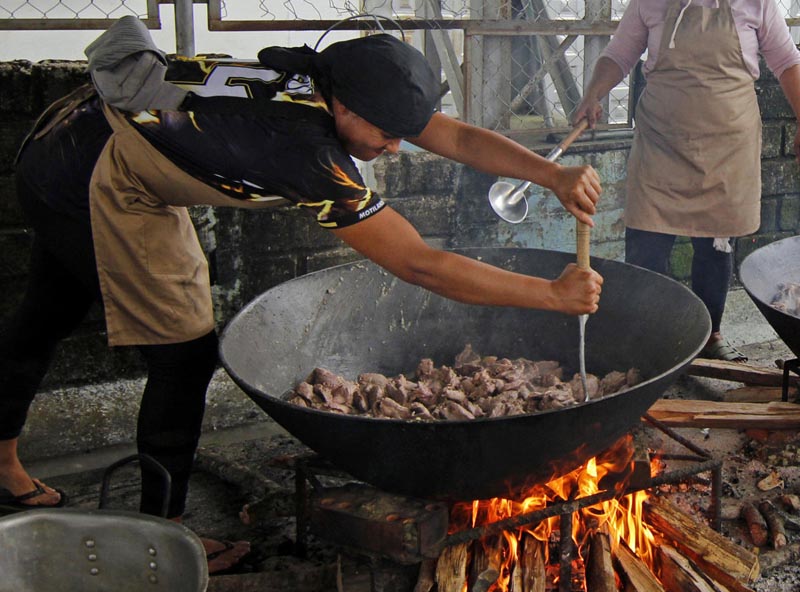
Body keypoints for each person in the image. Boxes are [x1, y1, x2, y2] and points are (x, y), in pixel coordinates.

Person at [0, 18, 603, 550]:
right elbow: (419, 264)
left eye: (401, 133)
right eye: (386, 135)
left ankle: (2, 465)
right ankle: (163, 537)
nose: (394, 148)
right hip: (96, 176)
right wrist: (548, 295)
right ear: (345, 108)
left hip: (69, 137)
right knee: (182, 356)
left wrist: (551, 172)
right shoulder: (307, 155)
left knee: (46, 313)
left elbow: (455, 136)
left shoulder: (327, 81)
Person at [573, 0, 800, 362]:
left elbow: (786, 62)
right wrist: (593, 93)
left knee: (715, 245)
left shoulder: (756, 3)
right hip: (661, 145)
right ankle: (644, 338)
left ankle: (709, 338)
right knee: (646, 245)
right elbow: (619, 55)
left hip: (727, 148)